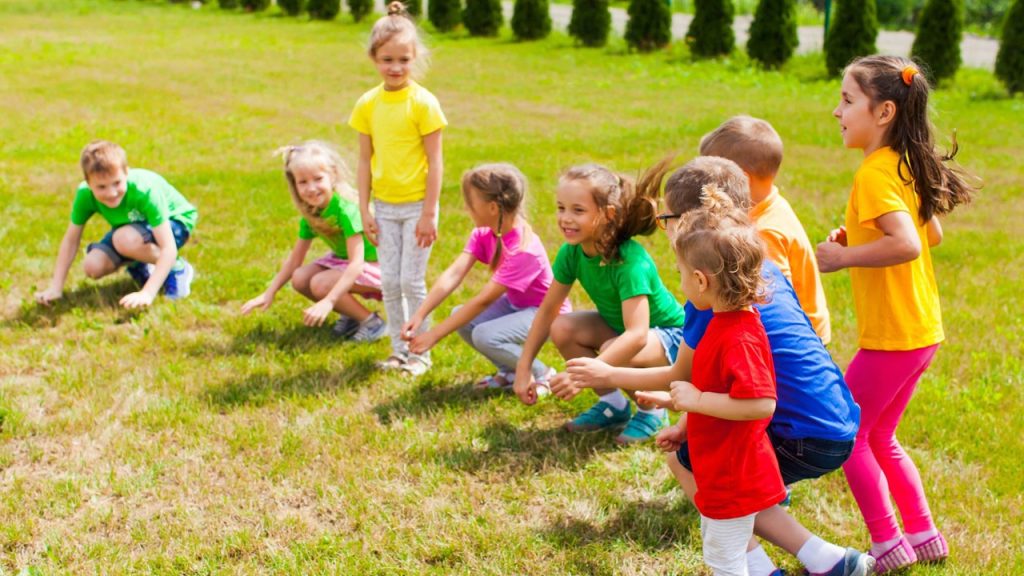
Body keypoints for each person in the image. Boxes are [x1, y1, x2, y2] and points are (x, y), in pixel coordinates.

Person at [568, 156, 871, 576]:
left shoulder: (710, 304)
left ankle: (777, 566)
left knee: (714, 479)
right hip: (833, 418)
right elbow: (710, 379)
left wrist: (608, 374)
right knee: (717, 471)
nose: (665, 230)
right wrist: (687, 419)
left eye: (667, 219)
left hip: (801, 430)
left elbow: (684, 377)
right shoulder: (757, 273)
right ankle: (830, 560)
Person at [816, 55, 976, 573]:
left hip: (893, 336)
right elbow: (932, 234)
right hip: (921, 330)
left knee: (849, 435)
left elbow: (907, 244)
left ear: (883, 112)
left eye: (846, 100)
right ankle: (925, 534)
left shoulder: (874, 174)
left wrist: (843, 256)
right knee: (881, 436)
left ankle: (887, 544)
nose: (835, 109)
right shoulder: (904, 163)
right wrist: (862, 237)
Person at [513, 164, 687, 444]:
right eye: (561, 208)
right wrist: (523, 367)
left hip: (676, 342)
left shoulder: (630, 262)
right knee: (563, 327)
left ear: (608, 214)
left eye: (578, 210)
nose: (565, 219)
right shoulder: (572, 253)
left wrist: (583, 376)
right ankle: (613, 406)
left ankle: (651, 411)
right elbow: (548, 311)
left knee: (612, 349)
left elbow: (637, 334)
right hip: (631, 336)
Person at [662, 185, 785, 576]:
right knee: (724, 548)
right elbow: (722, 391)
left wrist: (696, 401)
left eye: (680, 274)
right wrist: (686, 424)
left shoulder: (739, 336)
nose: (680, 282)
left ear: (700, 280)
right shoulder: (726, 323)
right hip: (721, 466)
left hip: (735, 471)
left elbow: (761, 404)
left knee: (723, 557)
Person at [400, 163, 570, 388]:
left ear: (492, 208)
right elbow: (454, 273)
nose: (467, 209)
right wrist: (420, 314)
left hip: (549, 314)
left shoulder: (523, 250)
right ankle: (508, 372)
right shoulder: (485, 233)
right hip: (518, 306)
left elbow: (484, 300)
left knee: (484, 334)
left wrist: (434, 335)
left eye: (470, 204)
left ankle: (542, 373)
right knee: (460, 315)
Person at [350, 1, 447, 375]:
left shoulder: (424, 103)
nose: (395, 67)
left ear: (415, 57)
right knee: (390, 281)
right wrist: (364, 209)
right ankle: (398, 351)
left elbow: (436, 161)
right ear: (374, 58)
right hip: (384, 208)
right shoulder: (367, 104)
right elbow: (363, 161)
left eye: (404, 60)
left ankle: (420, 352)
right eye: (387, 59)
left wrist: (429, 212)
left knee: (411, 281)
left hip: (418, 207)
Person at [699, 115, 831, 344]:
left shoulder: (766, 233)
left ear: (741, 179)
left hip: (793, 340)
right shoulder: (770, 204)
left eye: (712, 178)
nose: (706, 188)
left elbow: (774, 303)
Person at [240, 141, 384, 340]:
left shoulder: (347, 210)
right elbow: (294, 260)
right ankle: (351, 316)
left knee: (320, 283)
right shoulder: (312, 213)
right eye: (303, 182)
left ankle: (372, 323)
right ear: (294, 184)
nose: (311, 188)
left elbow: (357, 264)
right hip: (347, 263)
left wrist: (329, 301)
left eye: (318, 179)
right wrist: (269, 292)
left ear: (332, 175)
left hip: (378, 267)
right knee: (299, 278)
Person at [35, 140, 196, 309]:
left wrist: (147, 293)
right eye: (101, 187)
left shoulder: (144, 190)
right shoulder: (84, 195)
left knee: (124, 239)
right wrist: (56, 287)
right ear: (88, 183)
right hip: (130, 231)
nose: (111, 193)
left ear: (126, 172)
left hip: (174, 221)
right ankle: (141, 264)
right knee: (92, 266)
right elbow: (70, 240)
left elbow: (168, 246)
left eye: (117, 183)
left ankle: (178, 268)